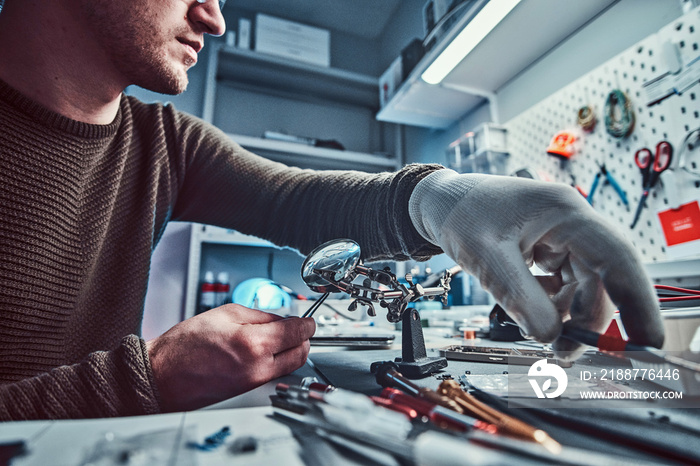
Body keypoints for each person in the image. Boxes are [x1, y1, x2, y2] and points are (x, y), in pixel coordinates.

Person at [0, 0, 663, 421]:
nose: (215, 18)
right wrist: (136, 383)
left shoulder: (166, 142)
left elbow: (298, 199)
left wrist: (440, 199)